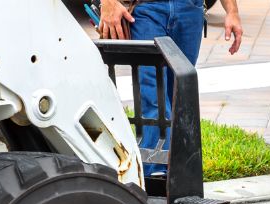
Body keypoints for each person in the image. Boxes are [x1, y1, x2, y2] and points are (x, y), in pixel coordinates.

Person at [99, 0, 244, 176]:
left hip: (190, 9)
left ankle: (176, 175)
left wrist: (232, 12)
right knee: (153, 97)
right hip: (146, 9)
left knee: (179, 95)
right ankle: (155, 173)